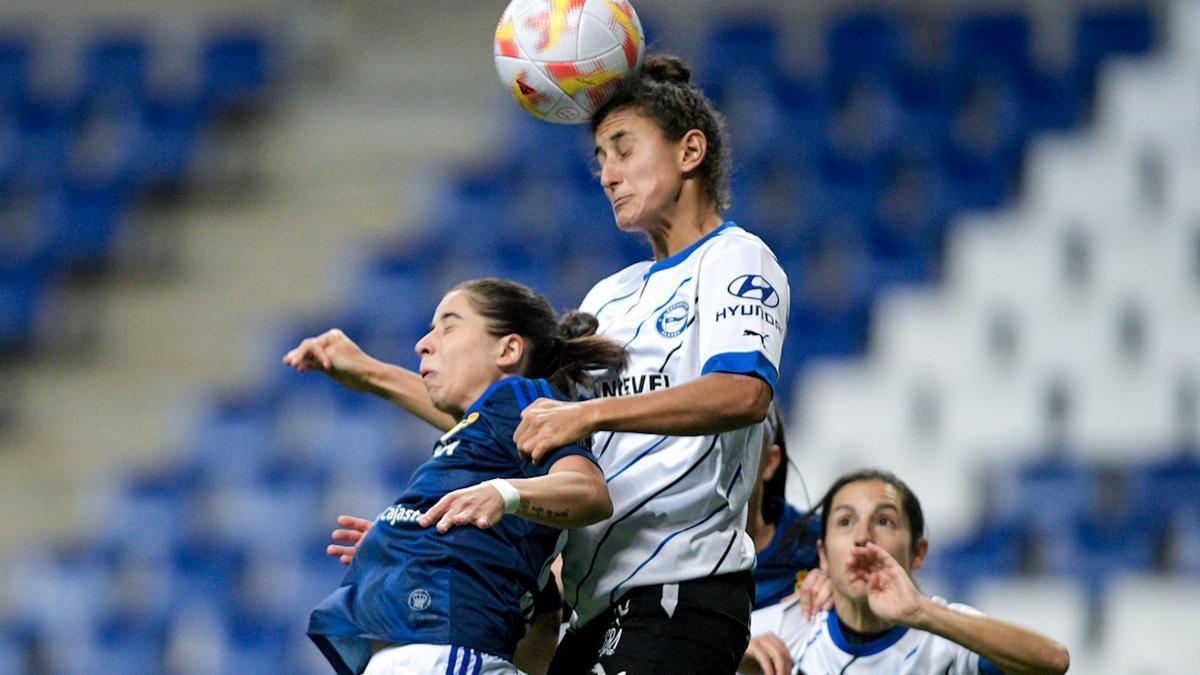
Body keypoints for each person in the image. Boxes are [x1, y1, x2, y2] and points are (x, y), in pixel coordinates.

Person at [287, 53, 788, 674]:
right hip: (593, 604)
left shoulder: (737, 259)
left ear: (691, 151)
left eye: (624, 150)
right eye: (600, 158)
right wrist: (423, 536)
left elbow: (742, 394)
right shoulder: (611, 295)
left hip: (681, 589)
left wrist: (590, 415)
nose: (608, 174)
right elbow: (516, 422)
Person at [289, 279, 624, 674]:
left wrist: (503, 493)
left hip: (442, 657)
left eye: (448, 326)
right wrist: (408, 544)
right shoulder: (478, 436)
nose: (424, 343)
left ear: (509, 349)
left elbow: (589, 492)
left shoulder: (523, 397)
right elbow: (545, 616)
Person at [739, 469, 1071, 675]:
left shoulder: (943, 633)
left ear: (918, 553)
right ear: (823, 555)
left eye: (884, 521)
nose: (863, 537)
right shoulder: (779, 633)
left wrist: (920, 611)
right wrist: (731, 661)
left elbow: (1052, 662)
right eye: (845, 521)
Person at [746, 403, 819, 611]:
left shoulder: (820, 544)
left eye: (738, 442)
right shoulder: (666, 549)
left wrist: (846, 598)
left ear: (769, 463)